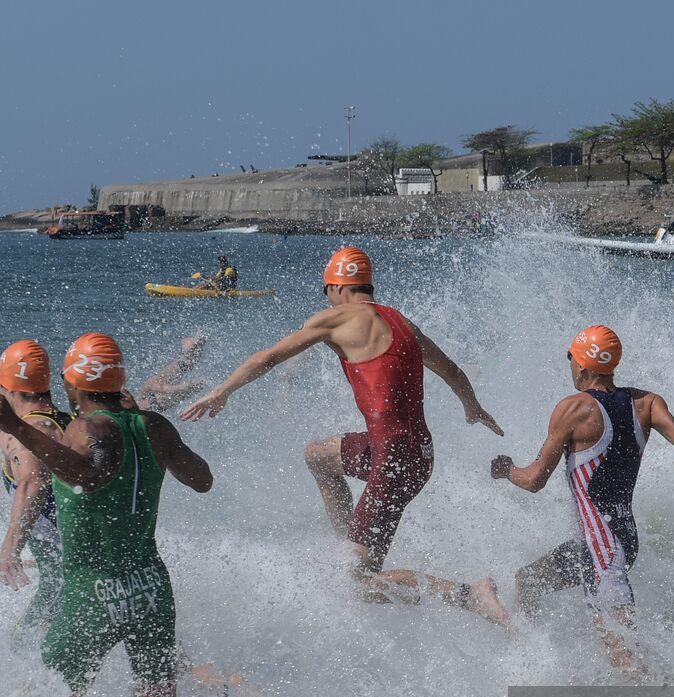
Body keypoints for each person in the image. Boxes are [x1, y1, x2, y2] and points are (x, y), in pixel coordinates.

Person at [181, 246, 508, 622]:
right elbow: (451, 370)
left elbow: (267, 357)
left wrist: (222, 391)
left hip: (393, 462)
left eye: (327, 291)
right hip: (415, 454)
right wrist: (472, 407)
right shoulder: (403, 322)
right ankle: (349, 548)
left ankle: (469, 595)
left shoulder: (334, 320)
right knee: (317, 455)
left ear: (337, 286)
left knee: (359, 584)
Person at [0, 332, 215, 697]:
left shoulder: (83, 430)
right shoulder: (153, 425)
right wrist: (147, 430)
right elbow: (202, 480)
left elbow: (89, 476)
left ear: (71, 383)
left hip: (94, 597)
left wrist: (16, 427)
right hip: (151, 592)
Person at [489, 326, 674, 671]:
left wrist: (506, 469)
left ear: (583, 366)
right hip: (618, 543)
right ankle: (528, 660)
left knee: (624, 659)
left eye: (570, 357)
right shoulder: (647, 403)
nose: (569, 365)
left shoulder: (573, 409)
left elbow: (534, 480)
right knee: (529, 580)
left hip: (604, 555)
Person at [0, 340, 73, 651]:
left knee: (21, 648)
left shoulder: (26, 434)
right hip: (82, 566)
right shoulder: (70, 422)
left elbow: (33, 483)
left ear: (6, 388)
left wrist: (9, 552)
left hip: (65, 585)